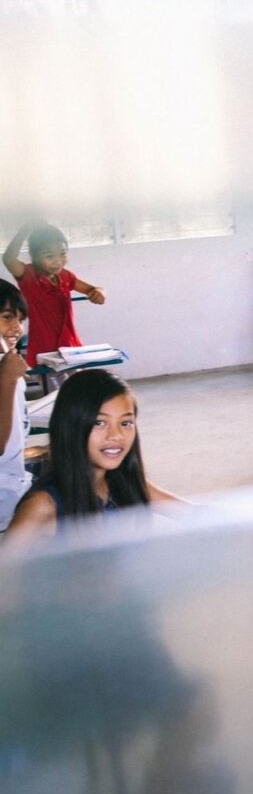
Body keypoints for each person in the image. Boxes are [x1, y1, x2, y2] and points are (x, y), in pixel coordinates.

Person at [3, 369, 183, 549]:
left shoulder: (124, 481)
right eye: (99, 423)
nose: (116, 435)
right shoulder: (43, 505)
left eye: (126, 423)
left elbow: (195, 515)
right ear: (71, 427)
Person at [3, 220, 105, 365]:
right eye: (49, 256)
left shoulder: (65, 276)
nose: (58, 261)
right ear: (34, 255)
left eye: (62, 254)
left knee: (77, 384)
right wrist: (24, 230)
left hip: (70, 346)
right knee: (58, 387)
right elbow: (8, 259)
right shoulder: (28, 276)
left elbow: (92, 289)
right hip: (44, 350)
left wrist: (99, 292)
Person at [0, 280, 30, 531]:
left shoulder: (5, 362)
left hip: (13, 483)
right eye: (7, 317)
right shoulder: (6, 371)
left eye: (20, 319)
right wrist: (8, 378)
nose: (16, 328)